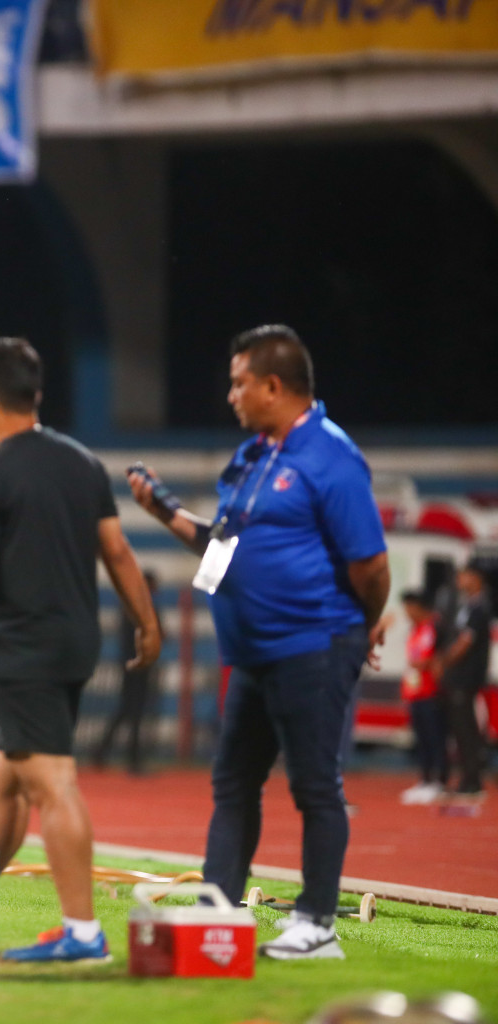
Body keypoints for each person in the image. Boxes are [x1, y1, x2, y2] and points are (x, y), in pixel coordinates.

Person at [128, 324, 389, 961]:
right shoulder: (254, 457)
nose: (231, 395)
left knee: (314, 786)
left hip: (313, 643)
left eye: (240, 382)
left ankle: (317, 923)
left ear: (274, 386)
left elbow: (371, 564)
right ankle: (217, 906)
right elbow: (223, 545)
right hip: (253, 653)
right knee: (234, 782)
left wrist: (361, 625)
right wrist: (164, 509)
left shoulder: (330, 455)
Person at [0, 337, 161, 964]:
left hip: (25, 644)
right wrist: (147, 623)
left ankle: (83, 933)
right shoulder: (82, 462)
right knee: (5, 775)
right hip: (76, 640)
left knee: (50, 780)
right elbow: (117, 552)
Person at [93, 569, 161, 775]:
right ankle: (132, 759)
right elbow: (156, 634)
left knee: (126, 710)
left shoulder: (129, 606)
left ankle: (102, 752)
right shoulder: (142, 609)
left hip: (130, 665)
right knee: (135, 712)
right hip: (138, 666)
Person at [436, 563, 491, 799]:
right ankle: (469, 779)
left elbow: (465, 642)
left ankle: (472, 781)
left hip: (465, 678)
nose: (459, 580)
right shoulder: (467, 605)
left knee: (466, 730)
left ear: (475, 578)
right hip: (459, 677)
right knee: (461, 730)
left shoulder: (478, 608)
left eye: (464, 576)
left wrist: (444, 661)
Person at [394, 589, 446, 805]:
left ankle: (439, 782)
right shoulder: (415, 629)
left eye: (408, 608)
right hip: (416, 692)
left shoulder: (434, 626)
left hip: (432, 691)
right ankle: (425, 780)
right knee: (422, 740)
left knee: (435, 738)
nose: (406, 613)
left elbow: (433, 657)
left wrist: (426, 664)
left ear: (417, 607)